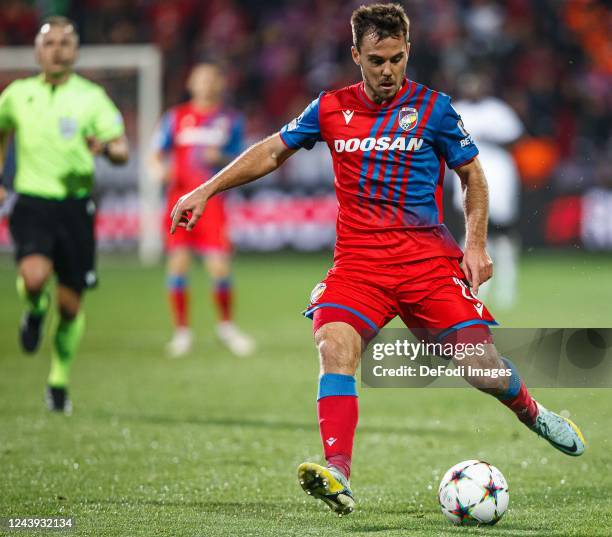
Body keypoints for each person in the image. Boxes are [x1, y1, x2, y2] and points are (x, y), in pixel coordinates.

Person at [169, 3, 585, 517]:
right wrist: (206, 189)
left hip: (427, 264)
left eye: (396, 58)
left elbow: (473, 177)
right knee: (332, 343)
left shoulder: (434, 109)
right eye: (376, 60)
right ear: (355, 56)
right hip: (358, 267)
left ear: (407, 51)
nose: (387, 71)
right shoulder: (328, 108)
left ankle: (533, 411)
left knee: (483, 369)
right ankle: (337, 472)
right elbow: (273, 151)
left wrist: (475, 244)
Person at [0, 16, 129, 414]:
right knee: (34, 276)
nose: (57, 49)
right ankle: (35, 311)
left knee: (71, 305)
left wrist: (106, 149)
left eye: (65, 43)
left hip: (76, 206)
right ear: (38, 51)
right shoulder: (17, 95)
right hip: (32, 201)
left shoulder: (91, 98)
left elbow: (121, 149)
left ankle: (58, 381)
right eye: (49, 42)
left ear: (75, 51)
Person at [149, 62, 254, 358]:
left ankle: (226, 327)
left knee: (219, 267)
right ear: (191, 84)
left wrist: (219, 156)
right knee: (178, 264)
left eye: (211, 78)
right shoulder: (176, 118)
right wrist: (159, 169)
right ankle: (181, 332)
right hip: (180, 202)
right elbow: (156, 153)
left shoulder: (230, 120)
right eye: (201, 79)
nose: (206, 84)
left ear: (218, 84)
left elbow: (244, 159)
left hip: (213, 203)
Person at [452, 73, 524, 309]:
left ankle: (506, 288)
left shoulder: (497, 110)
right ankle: (473, 287)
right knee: (470, 231)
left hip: (498, 173)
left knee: (502, 234)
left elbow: (517, 138)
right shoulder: (455, 109)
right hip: (465, 175)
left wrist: (488, 137)